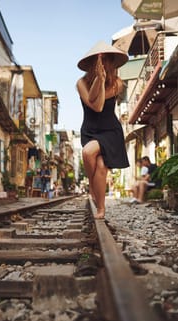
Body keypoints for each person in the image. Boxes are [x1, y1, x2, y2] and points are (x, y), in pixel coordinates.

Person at [76, 41, 129, 219]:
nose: (104, 63)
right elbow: (91, 100)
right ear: (92, 63)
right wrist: (98, 79)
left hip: (110, 131)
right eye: (100, 60)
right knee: (96, 163)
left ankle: (99, 206)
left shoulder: (117, 83)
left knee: (91, 156)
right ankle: (99, 203)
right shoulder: (81, 83)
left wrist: (102, 79)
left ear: (112, 62)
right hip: (90, 130)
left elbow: (98, 107)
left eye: (107, 59)